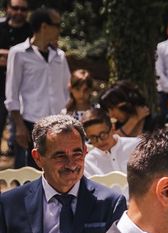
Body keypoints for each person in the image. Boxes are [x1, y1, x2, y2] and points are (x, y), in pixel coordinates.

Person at [5, 7, 69, 168]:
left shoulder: (59, 56)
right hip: (30, 124)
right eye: (57, 24)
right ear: (44, 27)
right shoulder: (18, 53)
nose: (60, 29)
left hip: (58, 124)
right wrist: (19, 126)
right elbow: (11, 93)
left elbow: (67, 89)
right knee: (30, 173)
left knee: (57, 171)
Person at [0, 0, 31, 156]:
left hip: (22, 89)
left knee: (19, 133)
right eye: (15, 8)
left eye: (23, 9)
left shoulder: (32, 30)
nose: (19, 12)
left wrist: (6, 54)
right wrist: (15, 54)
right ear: (7, 8)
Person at [81, 108, 140, 177]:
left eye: (103, 135)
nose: (100, 141)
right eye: (93, 138)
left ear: (112, 127)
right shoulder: (88, 162)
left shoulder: (137, 146)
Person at [99, 80, 164, 138]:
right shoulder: (117, 124)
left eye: (112, 109)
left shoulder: (153, 121)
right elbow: (112, 141)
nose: (111, 115)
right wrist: (134, 119)